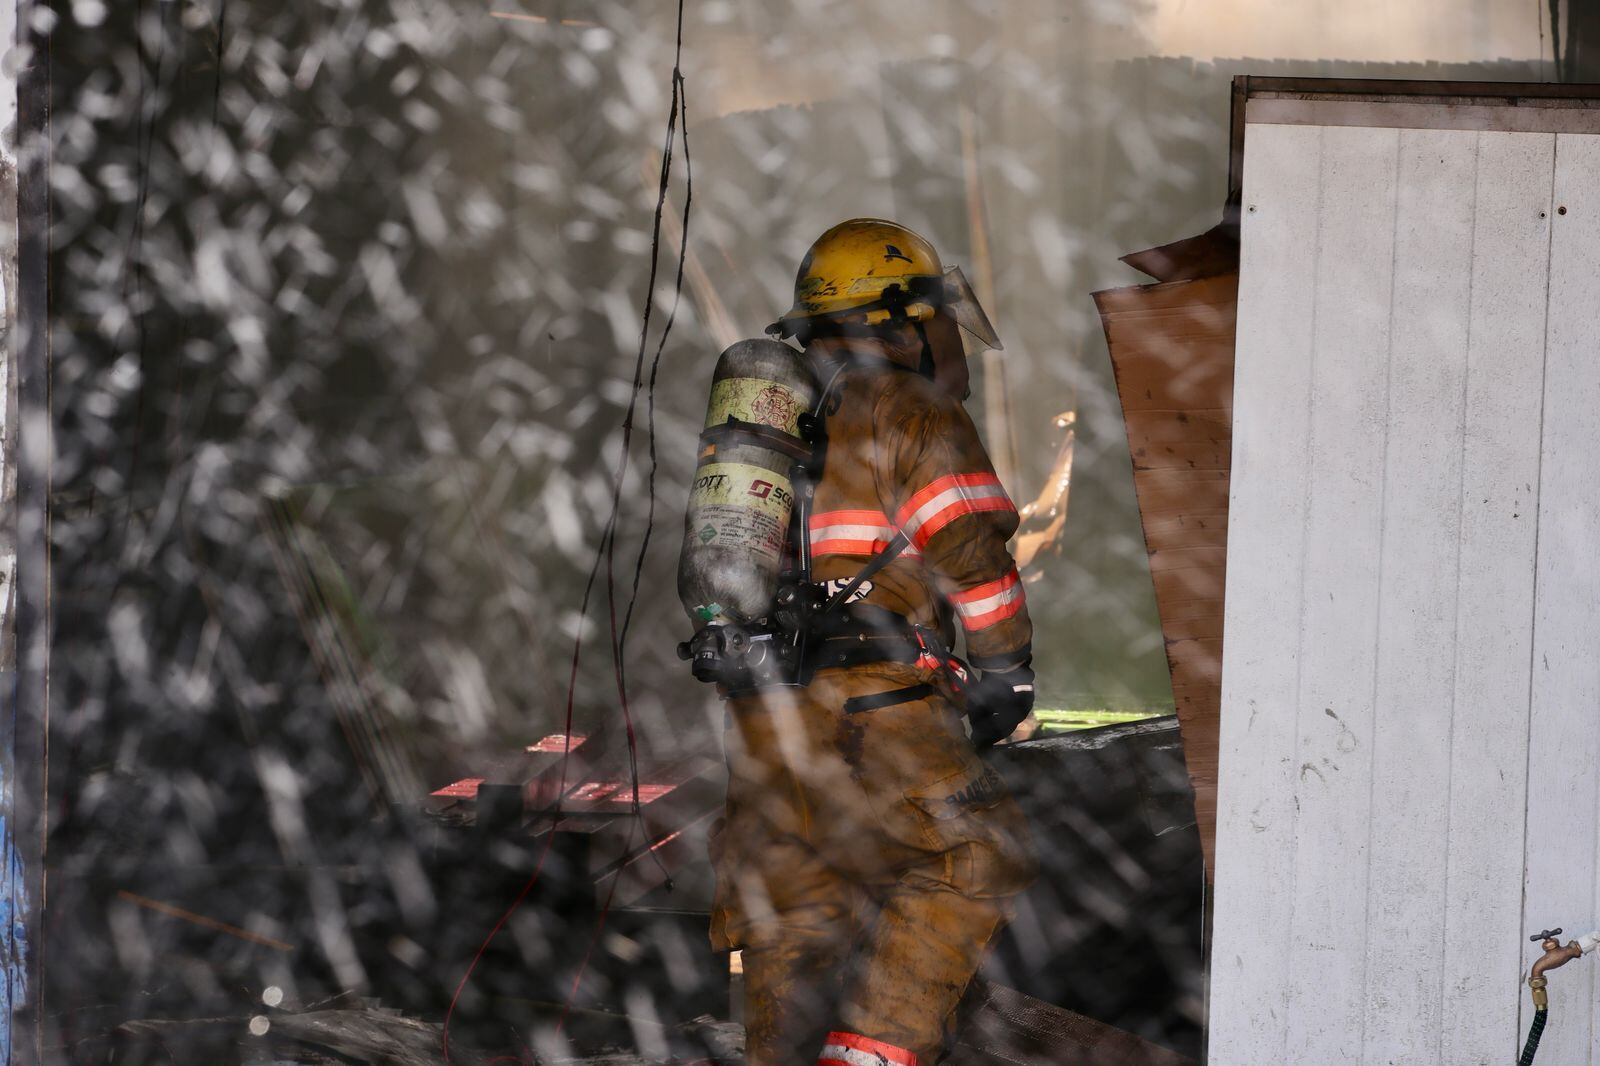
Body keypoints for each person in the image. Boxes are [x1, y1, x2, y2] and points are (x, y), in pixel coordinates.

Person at [707, 219, 1038, 1066]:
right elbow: (970, 553)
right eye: (930, 314)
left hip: (767, 713)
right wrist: (1006, 671)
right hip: (877, 702)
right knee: (975, 852)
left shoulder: (777, 423)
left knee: (796, 908)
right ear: (895, 316)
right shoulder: (913, 412)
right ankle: (870, 1052)